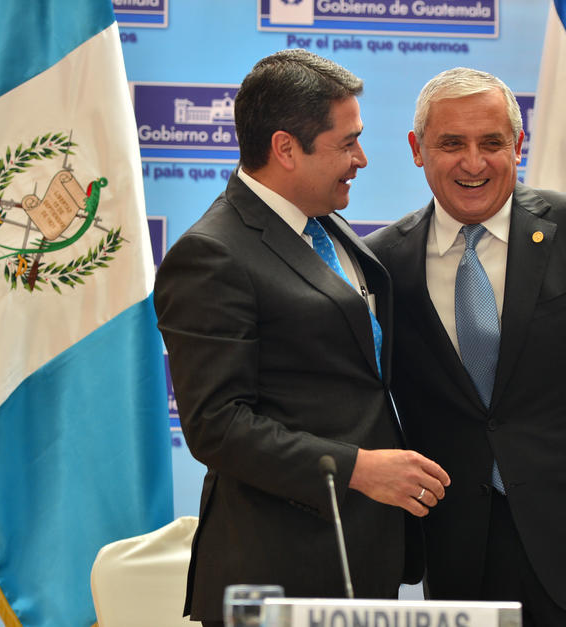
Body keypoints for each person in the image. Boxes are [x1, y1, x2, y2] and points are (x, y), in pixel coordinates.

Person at [365, 67, 566, 626]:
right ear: (417, 150)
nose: (473, 163)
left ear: (518, 144)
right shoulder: (383, 262)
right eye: (451, 144)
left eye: (491, 143)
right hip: (459, 560)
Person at [154, 49, 450, 626]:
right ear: (286, 148)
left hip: (361, 556)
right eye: (347, 143)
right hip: (276, 570)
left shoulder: (323, 221)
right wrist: (358, 468)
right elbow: (217, 425)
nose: (362, 159)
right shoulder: (211, 253)